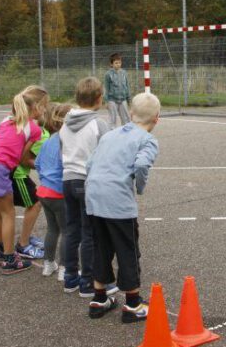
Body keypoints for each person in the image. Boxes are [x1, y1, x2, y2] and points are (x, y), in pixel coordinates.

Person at [84, 92, 161, 322]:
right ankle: (133, 305)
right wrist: (139, 187)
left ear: (132, 113)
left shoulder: (110, 134)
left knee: (102, 248)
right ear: (156, 118)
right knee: (127, 250)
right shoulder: (147, 140)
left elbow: (90, 163)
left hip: (94, 197)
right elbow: (141, 165)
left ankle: (99, 299)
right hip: (118, 201)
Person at [0, 85, 49, 274]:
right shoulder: (34, 129)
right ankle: (10, 258)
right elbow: (21, 156)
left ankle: (1, 250)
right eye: (44, 106)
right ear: (36, 107)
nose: (45, 110)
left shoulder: (6, 120)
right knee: (8, 214)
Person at [62, 77, 114, 298]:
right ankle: (88, 281)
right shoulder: (98, 124)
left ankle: (70, 277)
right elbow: (107, 154)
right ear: (99, 98)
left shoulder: (65, 122)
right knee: (89, 233)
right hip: (87, 180)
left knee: (71, 230)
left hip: (67, 179)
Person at [34, 103, 72, 279]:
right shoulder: (66, 142)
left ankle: (48, 264)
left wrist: (45, 179)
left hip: (44, 191)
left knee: (52, 229)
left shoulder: (48, 141)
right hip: (59, 192)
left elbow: (38, 164)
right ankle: (65, 268)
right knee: (66, 231)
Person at [12, 109, 51, 261]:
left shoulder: (43, 133)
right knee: (35, 204)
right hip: (17, 174)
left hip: (16, 172)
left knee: (33, 204)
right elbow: (24, 159)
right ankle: (23, 244)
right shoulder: (44, 136)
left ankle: (27, 237)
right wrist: (45, 167)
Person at [104, 53, 132, 127]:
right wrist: (106, 101)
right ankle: (111, 134)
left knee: (126, 119)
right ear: (111, 64)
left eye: (119, 62)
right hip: (112, 100)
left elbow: (127, 86)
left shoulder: (124, 73)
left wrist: (129, 99)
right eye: (116, 63)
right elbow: (106, 88)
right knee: (112, 119)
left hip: (123, 99)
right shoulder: (108, 74)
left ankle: (126, 134)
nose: (118, 64)